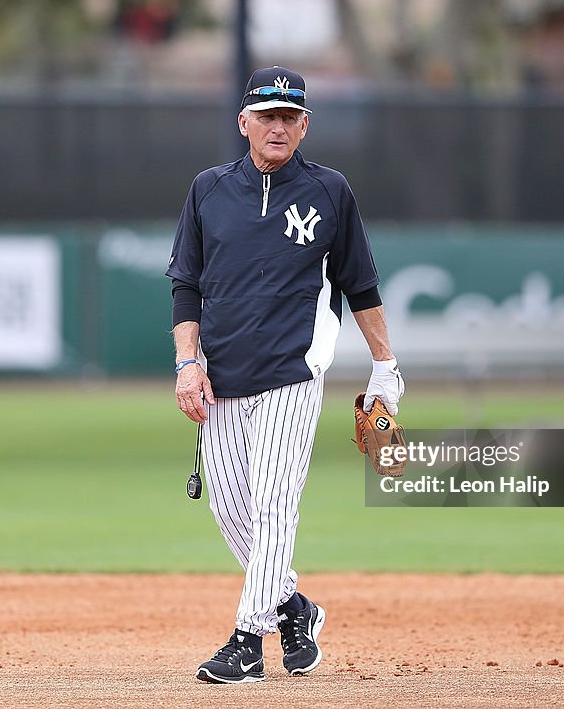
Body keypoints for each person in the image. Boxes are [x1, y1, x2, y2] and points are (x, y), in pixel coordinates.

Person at [166, 66, 404, 684]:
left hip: (291, 375)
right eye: (266, 115)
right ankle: (294, 606)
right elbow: (185, 285)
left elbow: (362, 285)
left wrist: (385, 366)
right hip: (218, 378)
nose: (278, 126)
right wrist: (187, 364)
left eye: (289, 117)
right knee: (231, 511)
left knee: (275, 509)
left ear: (304, 126)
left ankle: (248, 640)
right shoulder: (209, 190)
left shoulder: (329, 191)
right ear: (243, 122)